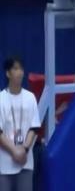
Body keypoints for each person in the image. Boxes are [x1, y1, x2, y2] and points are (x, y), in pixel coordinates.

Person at [0, 57, 41, 191]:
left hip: (25, 162)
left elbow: (34, 127)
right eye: (16, 69)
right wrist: (14, 151)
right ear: (8, 73)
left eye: (21, 69)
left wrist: (24, 150)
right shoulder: (1, 99)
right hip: (5, 164)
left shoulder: (30, 97)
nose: (20, 72)